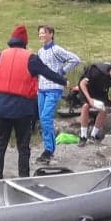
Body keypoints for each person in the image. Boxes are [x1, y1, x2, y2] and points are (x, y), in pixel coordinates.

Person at [0, 25, 69, 180]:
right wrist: (63, 81)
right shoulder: (31, 58)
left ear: (12, 40)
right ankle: (24, 179)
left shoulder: (1, 56)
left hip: (1, 107)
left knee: (0, 147)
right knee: (23, 147)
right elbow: (47, 72)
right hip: (22, 108)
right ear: (25, 42)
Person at [34, 25, 81, 164]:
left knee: (46, 117)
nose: (41, 35)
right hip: (41, 88)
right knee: (42, 119)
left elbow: (75, 59)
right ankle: (47, 147)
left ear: (51, 34)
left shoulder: (57, 49)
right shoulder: (40, 51)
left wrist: (61, 72)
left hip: (54, 88)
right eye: (40, 33)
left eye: (44, 33)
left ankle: (49, 150)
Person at [72, 62, 111, 145]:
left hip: (100, 90)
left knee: (104, 109)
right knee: (86, 106)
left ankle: (93, 135)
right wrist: (90, 99)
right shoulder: (97, 72)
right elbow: (82, 83)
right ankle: (83, 136)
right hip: (86, 88)